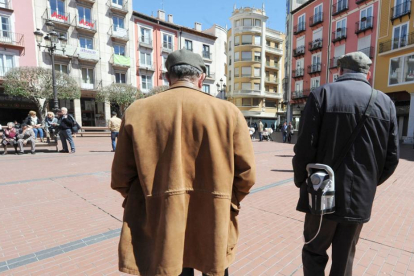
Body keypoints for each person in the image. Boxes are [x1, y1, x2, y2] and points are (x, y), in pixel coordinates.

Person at [111, 49, 256, 276]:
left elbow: (121, 177)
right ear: (201, 77)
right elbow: (246, 174)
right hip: (213, 217)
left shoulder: (137, 111)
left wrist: (149, 200)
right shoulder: (228, 112)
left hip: (159, 219)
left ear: (168, 77)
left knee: (168, 267)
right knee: (214, 266)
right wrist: (226, 201)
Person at [292, 52, 399, 276]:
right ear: (368, 73)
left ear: (339, 71)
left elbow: (304, 147)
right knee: (345, 256)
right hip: (359, 196)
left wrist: (302, 181)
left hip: (321, 193)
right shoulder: (385, 102)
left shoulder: (322, 94)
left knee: (314, 250)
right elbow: (392, 157)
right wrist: (369, 183)